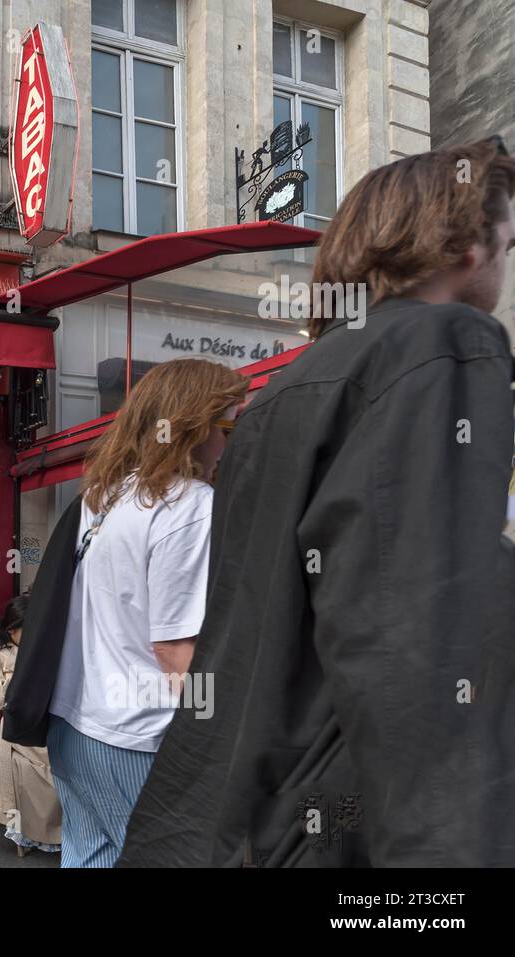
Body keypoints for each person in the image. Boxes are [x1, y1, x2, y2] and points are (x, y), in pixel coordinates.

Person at [119, 139, 515, 868]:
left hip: (246, 814)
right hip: (347, 823)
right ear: (464, 243)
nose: (503, 266)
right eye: (507, 243)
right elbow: (416, 645)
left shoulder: (287, 391)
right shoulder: (442, 346)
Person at [3, 357, 248, 867]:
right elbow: (176, 650)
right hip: (138, 734)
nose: (234, 442)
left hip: (74, 721)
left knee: (89, 856)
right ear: (193, 427)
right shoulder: (190, 505)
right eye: (229, 425)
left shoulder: (106, 495)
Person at [0, 596, 61, 854]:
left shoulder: (44, 648)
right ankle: (41, 830)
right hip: (18, 727)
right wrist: (25, 686)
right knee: (49, 761)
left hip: (50, 721)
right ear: (12, 629)